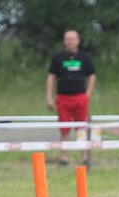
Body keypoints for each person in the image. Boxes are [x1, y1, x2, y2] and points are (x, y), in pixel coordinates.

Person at [46, 30, 96, 166]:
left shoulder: (84, 57)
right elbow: (51, 77)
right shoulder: (58, 58)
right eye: (68, 39)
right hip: (63, 98)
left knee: (81, 127)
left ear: (78, 41)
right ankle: (64, 157)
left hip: (80, 97)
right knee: (64, 127)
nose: (70, 42)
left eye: (73, 39)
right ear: (64, 41)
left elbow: (92, 75)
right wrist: (49, 97)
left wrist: (88, 94)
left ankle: (85, 157)